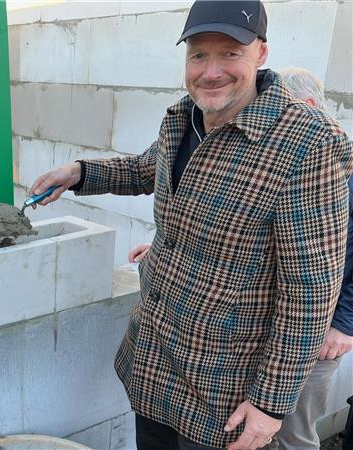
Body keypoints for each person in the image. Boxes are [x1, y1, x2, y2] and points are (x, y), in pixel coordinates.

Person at [29, 1, 353, 448]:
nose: (210, 71)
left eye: (230, 53)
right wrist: (80, 173)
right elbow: (146, 169)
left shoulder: (308, 143)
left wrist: (271, 404)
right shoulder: (183, 117)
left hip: (223, 390)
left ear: (260, 53)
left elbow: (310, 292)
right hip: (153, 363)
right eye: (199, 54)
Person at [127, 67, 353, 450]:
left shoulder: (317, 152)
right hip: (212, 349)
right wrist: (169, 249)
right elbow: (237, 233)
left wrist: (344, 321)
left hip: (306, 335)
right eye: (199, 55)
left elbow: (310, 287)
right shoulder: (198, 124)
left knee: (293, 433)